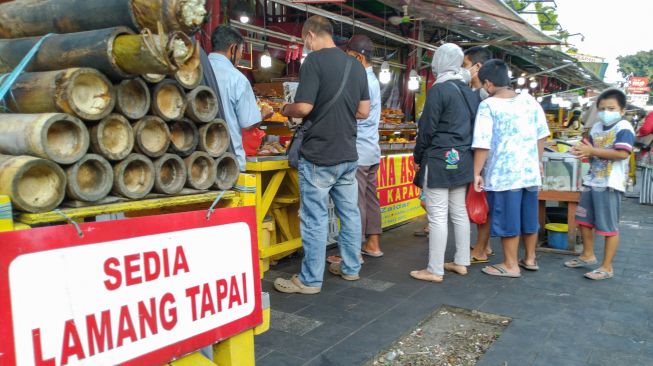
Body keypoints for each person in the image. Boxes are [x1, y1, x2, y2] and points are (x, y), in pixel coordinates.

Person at [273, 15, 370, 294]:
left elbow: (303, 108)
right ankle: (351, 269)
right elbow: (363, 111)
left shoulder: (313, 62)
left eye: (305, 41)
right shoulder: (356, 65)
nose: (305, 46)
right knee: (349, 213)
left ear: (311, 35)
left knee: (314, 217)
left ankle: (310, 280)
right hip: (348, 154)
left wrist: (285, 108)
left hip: (319, 154)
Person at [472, 59, 550, 278]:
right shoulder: (530, 101)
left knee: (509, 218)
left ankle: (510, 264)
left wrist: (477, 173)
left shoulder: (488, 106)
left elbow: (482, 142)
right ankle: (530, 258)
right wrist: (537, 162)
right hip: (529, 173)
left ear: (487, 83)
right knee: (528, 217)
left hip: (505, 174)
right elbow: (541, 135)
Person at [410, 43, 479, 283]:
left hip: (439, 158)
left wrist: (417, 157)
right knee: (459, 212)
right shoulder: (468, 91)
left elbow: (426, 130)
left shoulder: (439, 90)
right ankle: (461, 261)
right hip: (462, 158)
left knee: (438, 216)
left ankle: (435, 269)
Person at [564, 89, 635, 280]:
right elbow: (586, 147)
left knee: (608, 226)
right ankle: (588, 255)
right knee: (584, 220)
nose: (606, 112)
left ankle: (607, 267)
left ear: (622, 110)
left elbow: (622, 154)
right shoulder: (596, 127)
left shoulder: (624, 127)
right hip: (592, 180)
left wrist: (592, 151)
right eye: (602, 108)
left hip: (610, 184)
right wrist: (579, 150)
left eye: (611, 108)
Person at [327, 35, 383, 264]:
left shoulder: (361, 80)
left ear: (358, 57)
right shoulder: (373, 79)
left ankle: (353, 252)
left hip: (359, 150)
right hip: (371, 149)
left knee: (354, 202)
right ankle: (373, 244)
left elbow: (356, 113)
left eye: (349, 57)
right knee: (370, 199)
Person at [208, 26, 272, 171]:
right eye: (240, 52)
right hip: (229, 162)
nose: (239, 58)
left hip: (200, 160)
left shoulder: (199, 70)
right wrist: (264, 114)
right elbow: (248, 124)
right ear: (233, 48)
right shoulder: (237, 79)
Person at [463, 46, 494, 263]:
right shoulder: (474, 93)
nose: (462, 70)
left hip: (485, 158)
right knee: (481, 200)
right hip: (479, 156)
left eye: (465, 65)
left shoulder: (486, 96)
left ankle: (481, 248)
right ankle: (486, 245)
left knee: (483, 201)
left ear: (477, 67)